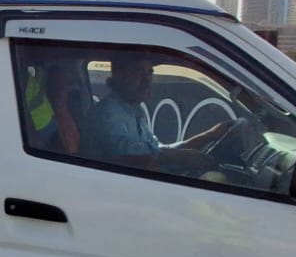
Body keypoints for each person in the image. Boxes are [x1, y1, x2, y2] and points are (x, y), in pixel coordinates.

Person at [81, 54, 233, 172]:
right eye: (138, 73)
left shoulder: (133, 110)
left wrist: (208, 136)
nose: (147, 81)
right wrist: (181, 157)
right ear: (119, 75)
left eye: (149, 73)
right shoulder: (107, 113)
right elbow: (130, 155)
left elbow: (157, 150)